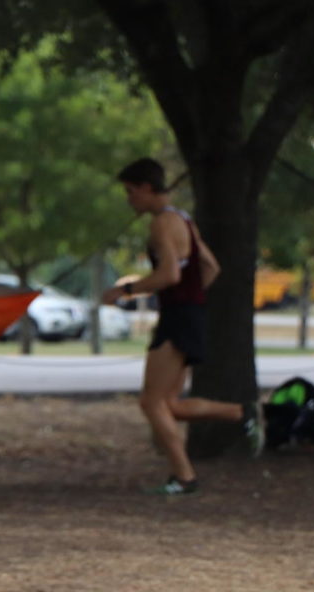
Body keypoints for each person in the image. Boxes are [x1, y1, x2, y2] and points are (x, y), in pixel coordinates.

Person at [102, 157, 262, 496]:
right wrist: (191, 300)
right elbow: (211, 266)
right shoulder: (185, 220)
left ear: (147, 188)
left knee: (151, 402)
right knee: (169, 404)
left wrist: (125, 290)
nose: (129, 199)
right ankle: (243, 412)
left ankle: (184, 476)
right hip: (189, 314)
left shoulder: (162, 223)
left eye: (131, 192)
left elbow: (170, 275)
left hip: (178, 318)